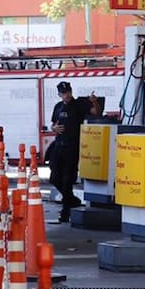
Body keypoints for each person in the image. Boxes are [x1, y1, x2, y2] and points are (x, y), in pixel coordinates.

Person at [48, 81, 91, 223]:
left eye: (68, 92)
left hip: (72, 147)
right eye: (63, 93)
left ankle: (65, 212)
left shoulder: (78, 104)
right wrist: (54, 128)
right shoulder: (58, 107)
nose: (66, 95)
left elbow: (95, 112)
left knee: (67, 180)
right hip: (58, 145)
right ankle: (72, 200)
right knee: (54, 178)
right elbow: (53, 123)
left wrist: (94, 102)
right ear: (59, 94)